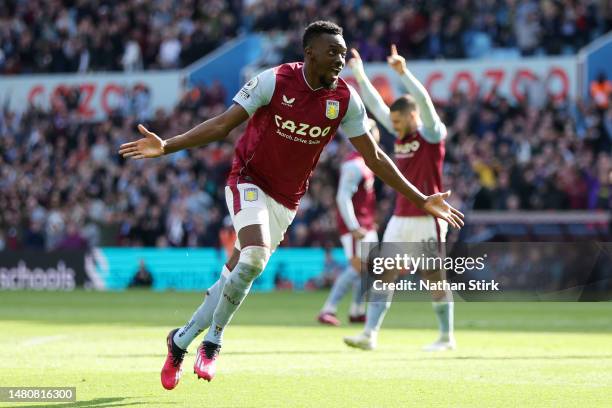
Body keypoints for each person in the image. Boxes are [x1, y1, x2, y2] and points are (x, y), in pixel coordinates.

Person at [119, 21, 464, 388]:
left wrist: (422, 197)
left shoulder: (345, 100)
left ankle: (180, 341)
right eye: (333, 52)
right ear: (310, 52)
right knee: (253, 258)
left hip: (286, 200)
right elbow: (223, 126)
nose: (339, 59)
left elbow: (376, 157)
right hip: (248, 181)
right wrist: (168, 145)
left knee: (234, 276)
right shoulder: (275, 80)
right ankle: (214, 341)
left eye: (343, 54)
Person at [343, 45, 456, 352]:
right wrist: (358, 73)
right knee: (384, 272)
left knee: (434, 277)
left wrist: (403, 73)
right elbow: (377, 105)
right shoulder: (401, 135)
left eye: (398, 121)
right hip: (400, 216)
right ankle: (369, 334)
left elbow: (426, 103)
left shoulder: (431, 135)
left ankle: (446, 337)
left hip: (426, 218)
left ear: (412, 116)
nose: (392, 127)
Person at [317, 119, 380, 326]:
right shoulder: (354, 164)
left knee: (368, 268)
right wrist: (353, 226)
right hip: (356, 227)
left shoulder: (365, 162)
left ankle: (356, 310)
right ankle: (328, 309)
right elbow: (342, 197)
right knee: (357, 267)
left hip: (366, 223)